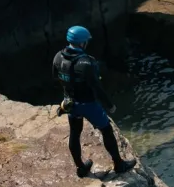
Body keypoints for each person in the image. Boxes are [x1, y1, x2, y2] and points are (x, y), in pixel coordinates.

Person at [52, 26, 137, 178]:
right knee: (106, 131)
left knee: (75, 133)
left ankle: (81, 168)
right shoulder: (86, 63)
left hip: (70, 103)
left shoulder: (58, 56)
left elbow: (55, 76)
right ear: (82, 43)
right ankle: (119, 164)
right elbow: (97, 88)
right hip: (88, 104)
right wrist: (110, 105)